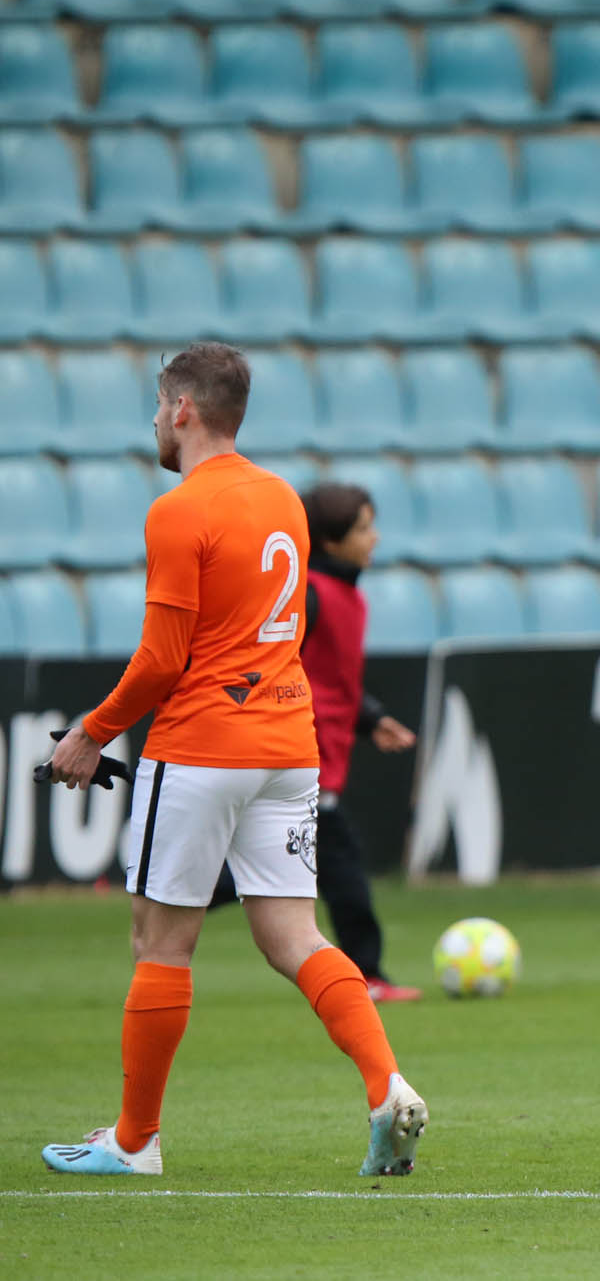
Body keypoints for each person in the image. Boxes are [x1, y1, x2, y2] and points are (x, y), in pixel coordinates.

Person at [40, 342, 427, 1178]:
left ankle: (135, 1142)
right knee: (294, 933)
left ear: (183, 408)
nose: (152, 416)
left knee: (159, 942)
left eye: (157, 401)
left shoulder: (177, 510)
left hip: (202, 748)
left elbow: (161, 660)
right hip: (289, 750)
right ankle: (384, 1082)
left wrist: (91, 732)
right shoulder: (280, 497)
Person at [297, 482, 422, 1003]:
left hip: (323, 761)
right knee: (338, 865)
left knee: (262, 872)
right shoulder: (307, 593)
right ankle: (366, 975)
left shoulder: (346, 595)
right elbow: (281, 667)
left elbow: (333, 678)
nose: (375, 537)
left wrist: (370, 719)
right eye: (363, 528)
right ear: (329, 540)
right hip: (299, 762)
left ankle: (367, 974)